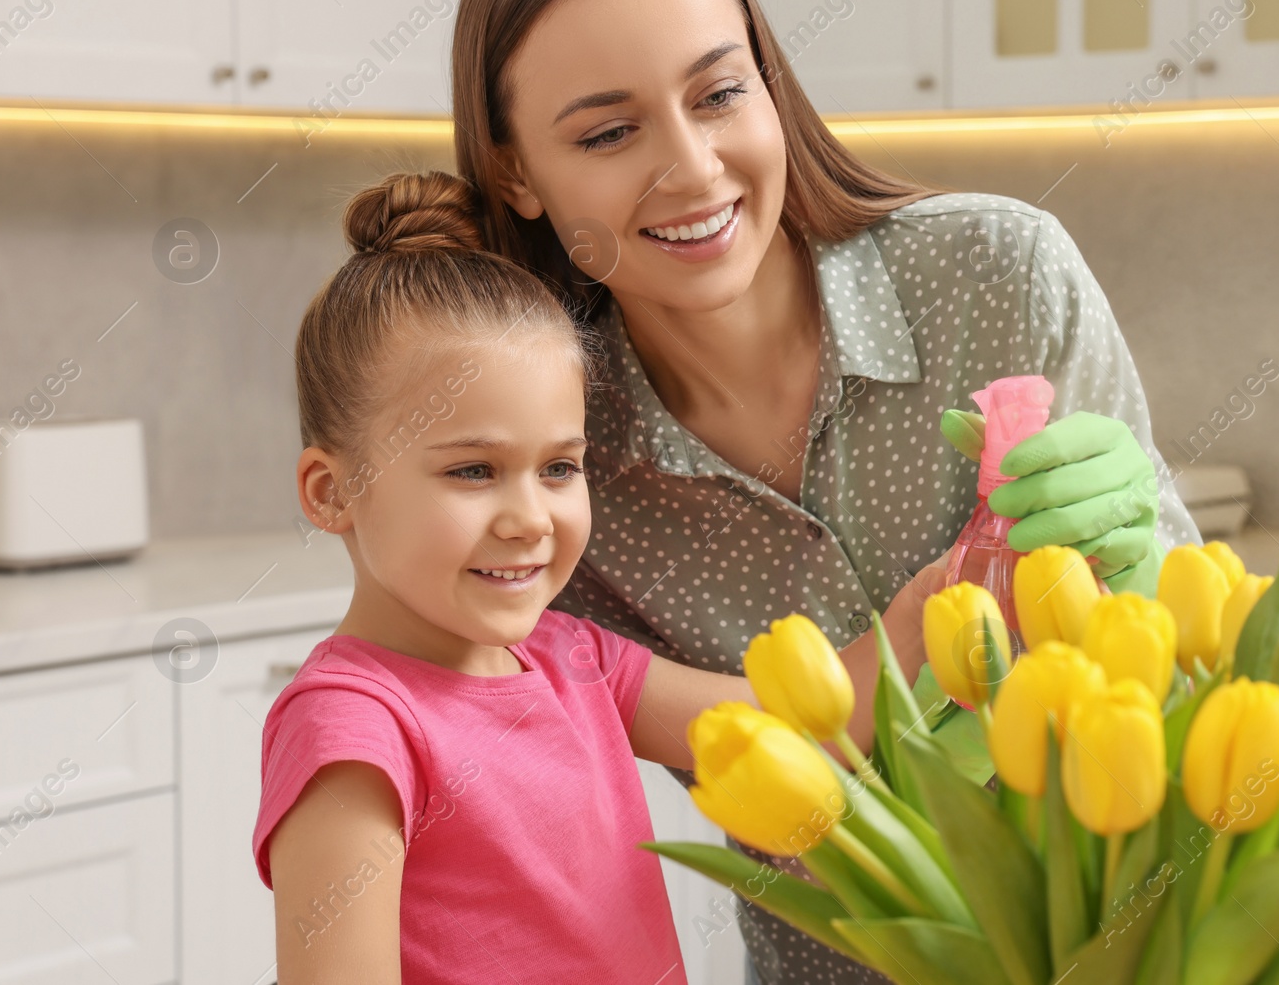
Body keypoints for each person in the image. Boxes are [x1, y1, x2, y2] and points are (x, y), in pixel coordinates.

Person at [449, 0, 1201, 978]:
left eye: (717, 95)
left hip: (1133, 944)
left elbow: (1196, 656)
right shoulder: (555, 459)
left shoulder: (995, 275)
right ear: (516, 172)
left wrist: (1145, 567)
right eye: (607, 134)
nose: (693, 167)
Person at [251, 170, 946, 985]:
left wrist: (929, 605)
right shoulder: (357, 725)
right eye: (474, 470)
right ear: (331, 492)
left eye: (558, 467)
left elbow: (793, 729)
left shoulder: (571, 658)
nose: (529, 517)